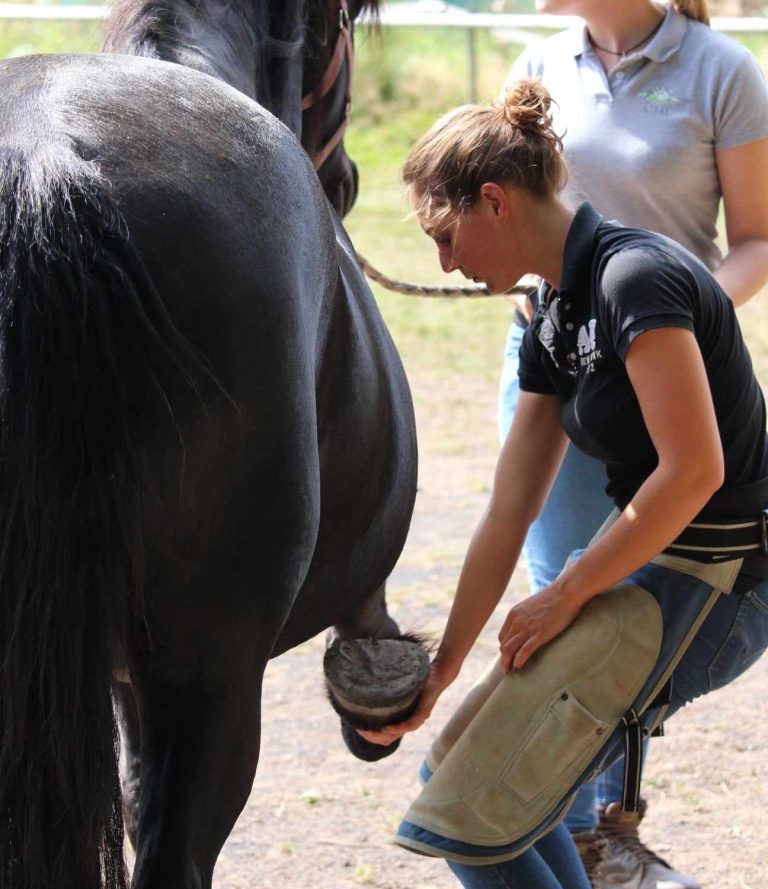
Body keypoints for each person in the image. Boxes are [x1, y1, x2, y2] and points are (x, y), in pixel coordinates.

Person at [358, 79, 768, 889]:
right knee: (459, 775)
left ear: (494, 201)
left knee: (473, 811)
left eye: (446, 236)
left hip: (725, 577)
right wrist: (444, 666)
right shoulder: (552, 312)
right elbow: (510, 510)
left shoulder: (634, 279)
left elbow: (696, 472)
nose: (446, 262)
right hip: (654, 565)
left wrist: (569, 590)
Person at [494, 2, 768, 885]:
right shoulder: (539, 61)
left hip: (662, 359)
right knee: (559, 587)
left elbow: (758, 239)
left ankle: (592, 823)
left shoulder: (723, 72)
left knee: (623, 598)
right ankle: (574, 827)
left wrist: (663, 323)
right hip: (554, 357)